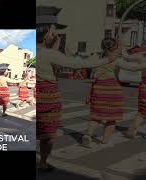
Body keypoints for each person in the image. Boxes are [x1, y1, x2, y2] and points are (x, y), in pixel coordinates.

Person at [36, 6, 118, 172]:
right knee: (48, 135)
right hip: (47, 98)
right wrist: (107, 59)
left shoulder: (38, 52)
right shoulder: (49, 54)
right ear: (47, 33)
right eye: (54, 30)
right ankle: (42, 162)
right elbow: (79, 64)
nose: (56, 34)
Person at [82, 38, 146, 148]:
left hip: (98, 89)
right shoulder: (117, 61)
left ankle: (88, 135)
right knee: (111, 118)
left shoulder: (99, 59)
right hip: (112, 89)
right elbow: (134, 68)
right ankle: (105, 141)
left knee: (96, 117)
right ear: (115, 48)